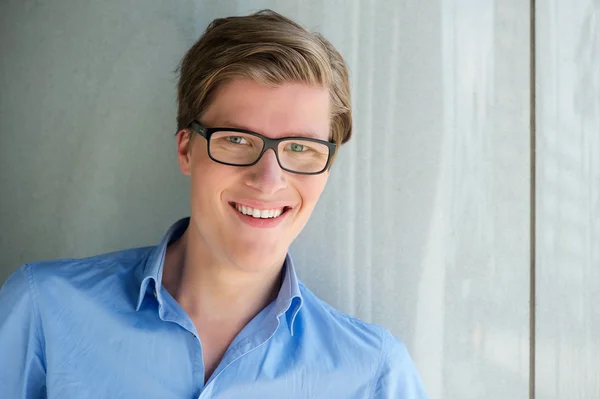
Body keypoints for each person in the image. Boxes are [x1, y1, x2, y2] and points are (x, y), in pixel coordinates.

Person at [0, 9, 427, 399]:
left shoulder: (374, 376)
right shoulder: (43, 314)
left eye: (300, 148)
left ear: (327, 168)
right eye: (237, 140)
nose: (268, 179)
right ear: (186, 150)